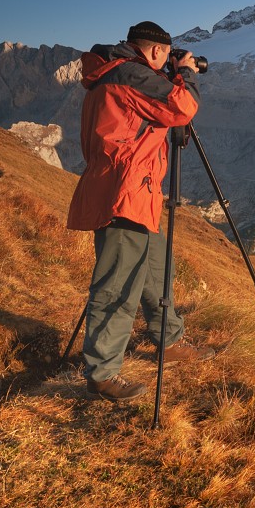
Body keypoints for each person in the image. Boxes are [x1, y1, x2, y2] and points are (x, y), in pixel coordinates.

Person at [67, 21, 212, 401]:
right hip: (123, 192)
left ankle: (170, 340)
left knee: (156, 268)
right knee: (117, 285)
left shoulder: (117, 73)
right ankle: (102, 373)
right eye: (166, 56)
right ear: (155, 52)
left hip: (136, 191)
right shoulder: (129, 74)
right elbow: (181, 108)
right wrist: (185, 76)